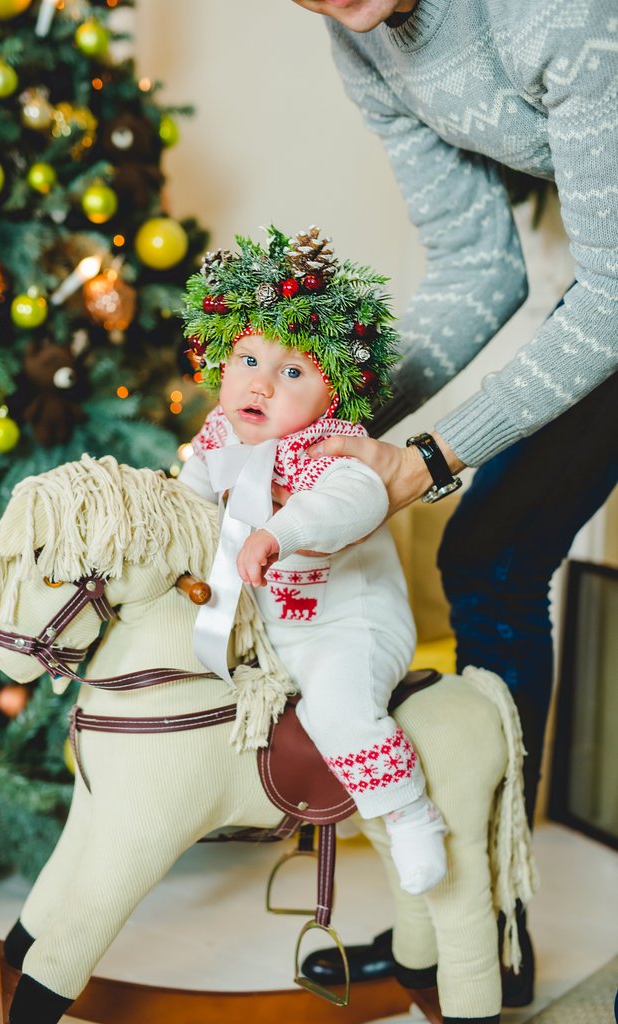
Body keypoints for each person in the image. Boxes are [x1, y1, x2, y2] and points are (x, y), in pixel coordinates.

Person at [286, 0, 618, 1004]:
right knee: (489, 558)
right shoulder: (360, 37)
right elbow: (479, 269)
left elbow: (610, 302)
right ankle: (486, 918)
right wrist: (303, 405)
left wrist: (432, 453)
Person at [179, 224, 449, 897]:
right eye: (247, 360)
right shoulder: (215, 443)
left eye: (292, 371)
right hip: (267, 631)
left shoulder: (337, 451)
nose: (261, 385)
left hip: (344, 625)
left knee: (337, 706)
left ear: (332, 396)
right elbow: (182, 510)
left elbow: (350, 506)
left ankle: (409, 811)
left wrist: (279, 532)